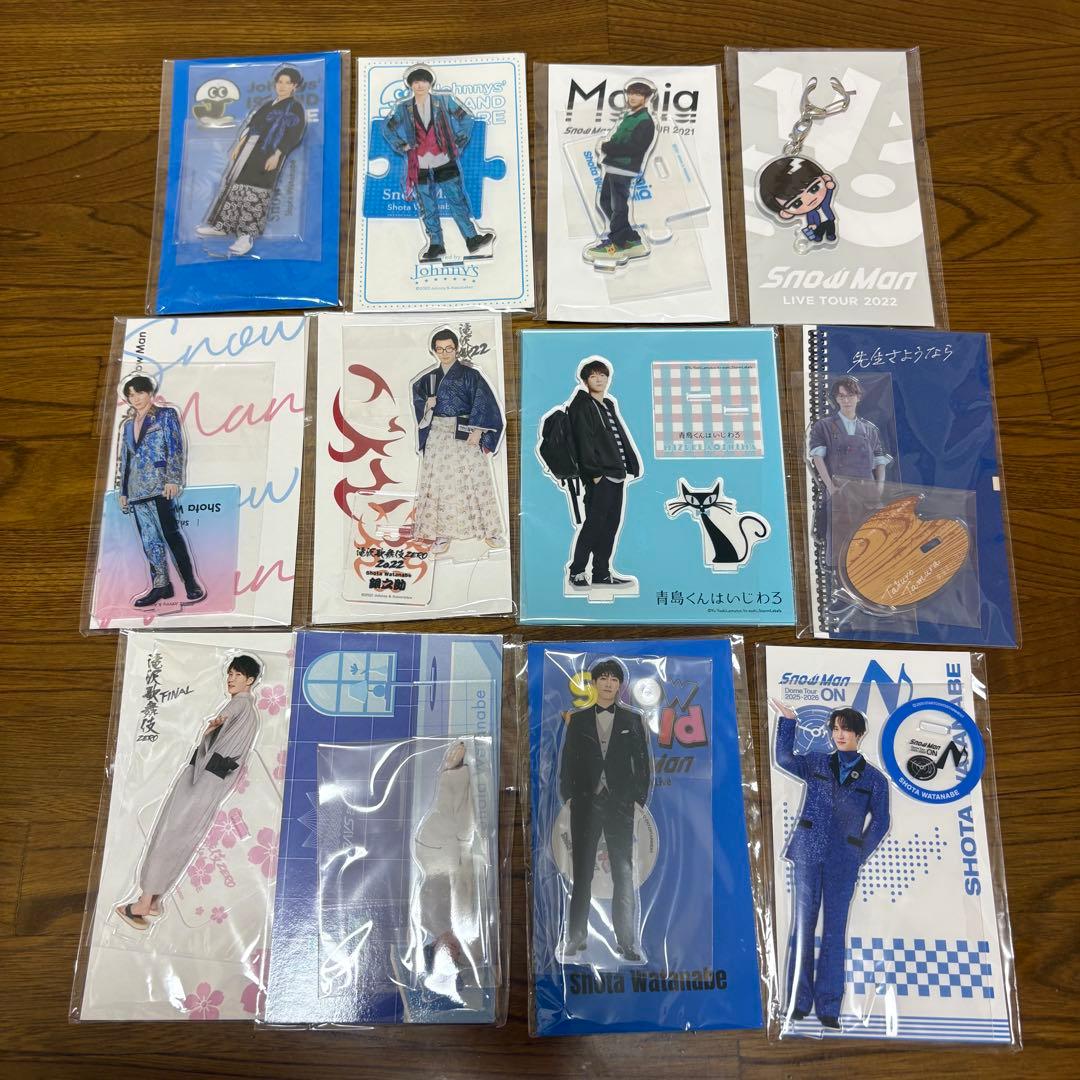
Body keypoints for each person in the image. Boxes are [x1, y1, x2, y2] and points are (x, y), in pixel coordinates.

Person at [115, 655, 262, 929]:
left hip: (202, 777)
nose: (231, 679)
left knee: (170, 831)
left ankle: (144, 902)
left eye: (238, 675)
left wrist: (215, 723)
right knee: (182, 834)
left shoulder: (239, 705)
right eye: (230, 673)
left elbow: (223, 718)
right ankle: (154, 899)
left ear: (250, 680)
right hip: (213, 780)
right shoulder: (251, 715)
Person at [770, 698, 890, 1028]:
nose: (839, 734)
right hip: (808, 853)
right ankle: (797, 1001)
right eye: (835, 729)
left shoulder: (875, 780)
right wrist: (788, 722)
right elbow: (784, 759)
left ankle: (829, 1007)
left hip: (843, 861)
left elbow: (881, 822)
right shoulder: (816, 762)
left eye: (846, 729)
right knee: (803, 925)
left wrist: (858, 854)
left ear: (860, 734)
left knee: (835, 931)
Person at [559, 659, 652, 961]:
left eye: (614, 679)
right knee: (582, 873)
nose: (608, 683)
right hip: (585, 805)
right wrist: (569, 795)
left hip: (620, 805)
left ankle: (626, 942)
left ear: (620, 685)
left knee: (623, 875)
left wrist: (637, 798)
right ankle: (576, 938)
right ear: (594, 682)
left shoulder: (633, 719)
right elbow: (568, 760)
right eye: (603, 678)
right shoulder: (578, 720)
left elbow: (642, 763)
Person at [383, 65, 495, 263]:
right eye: (415, 82)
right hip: (418, 163)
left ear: (430, 83)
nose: (419, 85)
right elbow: (387, 128)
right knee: (427, 205)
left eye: (423, 81)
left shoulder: (444, 101)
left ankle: (472, 238)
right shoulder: (403, 108)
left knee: (456, 199)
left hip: (444, 158)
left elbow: (467, 119)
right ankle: (436, 244)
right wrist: (402, 145)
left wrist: (458, 142)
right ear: (410, 85)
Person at [410, 328, 505, 555]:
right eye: (440, 349)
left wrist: (478, 430)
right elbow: (419, 404)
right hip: (438, 432)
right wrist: (428, 406)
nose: (445, 353)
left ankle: (489, 529)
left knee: (476, 478)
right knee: (440, 482)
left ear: (456, 348)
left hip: (466, 430)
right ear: (434, 351)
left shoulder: (471, 375)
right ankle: (442, 533)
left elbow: (484, 402)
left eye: (449, 348)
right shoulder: (427, 380)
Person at [196, 65, 308, 256]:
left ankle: (246, 236)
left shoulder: (295, 108)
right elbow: (252, 125)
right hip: (249, 148)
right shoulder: (267, 105)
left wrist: (278, 154)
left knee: (257, 189)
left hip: (269, 152)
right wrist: (239, 144)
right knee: (236, 185)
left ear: (294, 86)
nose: (282, 86)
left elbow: (293, 134)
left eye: (287, 83)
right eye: (279, 82)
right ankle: (223, 226)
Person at [117, 375, 204, 608]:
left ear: (150, 393)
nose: (135, 398)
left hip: (160, 487)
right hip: (136, 491)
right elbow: (124, 460)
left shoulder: (166, 415)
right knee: (149, 540)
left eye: (139, 393)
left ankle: (190, 583)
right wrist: (123, 491)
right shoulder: (127, 425)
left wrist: (173, 479)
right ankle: (161, 585)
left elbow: (175, 447)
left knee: (171, 535)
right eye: (131, 395)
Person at [405, 741, 481, 999]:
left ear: (435, 948)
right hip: (459, 854)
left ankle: (452, 771)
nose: (455, 953)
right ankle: (459, 771)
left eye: (448, 956)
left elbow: (436, 881)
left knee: (453, 816)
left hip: (437, 852)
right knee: (466, 822)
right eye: (456, 959)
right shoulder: (468, 932)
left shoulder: (428, 919)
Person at [565, 357, 641, 589]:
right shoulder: (582, 405)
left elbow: (618, 436)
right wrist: (595, 473)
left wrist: (630, 465)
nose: (598, 379)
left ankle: (601, 573)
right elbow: (583, 441)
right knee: (594, 525)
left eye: (602, 375)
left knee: (610, 525)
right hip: (600, 476)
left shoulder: (607, 404)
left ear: (608, 378)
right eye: (593, 376)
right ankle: (577, 571)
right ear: (585, 381)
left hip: (617, 473)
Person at [807, 375, 892, 564]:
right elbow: (817, 458)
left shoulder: (869, 430)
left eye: (850, 395)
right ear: (836, 399)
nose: (846, 400)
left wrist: (878, 489)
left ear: (858, 397)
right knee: (840, 537)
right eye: (841, 396)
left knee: (869, 536)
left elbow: (879, 461)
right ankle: (838, 574)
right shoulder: (824, 426)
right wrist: (831, 488)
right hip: (840, 491)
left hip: (867, 491)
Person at [585, 79, 657, 263]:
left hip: (625, 168)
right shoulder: (629, 117)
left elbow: (634, 147)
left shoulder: (645, 121)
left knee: (618, 206)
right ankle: (630, 238)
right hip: (613, 166)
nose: (632, 97)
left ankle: (617, 243)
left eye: (638, 94)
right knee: (605, 201)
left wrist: (606, 147)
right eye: (631, 93)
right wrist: (608, 148)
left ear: (646, 98)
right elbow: (619, 139)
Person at [757, 156, 839, 245]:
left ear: (825, 178)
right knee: (819, 231)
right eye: (797, 203)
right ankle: (818, 236)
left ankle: (830, 234)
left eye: (814, 189)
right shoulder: (810, 214)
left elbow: (828, 196)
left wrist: (830, 189)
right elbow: (811, 220)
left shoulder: (825, 203)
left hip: (829, 219)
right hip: (819, 225)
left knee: (830, 227)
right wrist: (812, 225)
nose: (809, 199)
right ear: (786, 213)